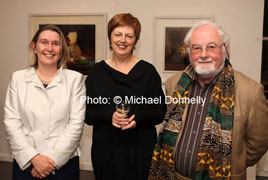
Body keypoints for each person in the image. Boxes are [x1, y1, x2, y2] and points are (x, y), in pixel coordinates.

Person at [149, 21, 268, 180]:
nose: (203, 54)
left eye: (211, 47)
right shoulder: (174, 84)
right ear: (189, 52)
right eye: (197, 48)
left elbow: (258, 144)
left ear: (226, 49)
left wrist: (232, 162)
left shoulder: (251, 92)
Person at [84, 13, 166, 180]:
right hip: (106, 153)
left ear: (135, 41)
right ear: (110, 38)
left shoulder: (148, 72)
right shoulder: (96, 73)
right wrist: (108, 115)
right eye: (118, 34)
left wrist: (139, 118)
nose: (123, 40)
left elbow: (160, 111)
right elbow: (86, 113)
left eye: (129, 36)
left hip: (140, 152)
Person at [4, 24, 86, 180]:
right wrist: (34, 158)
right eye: (44, 42)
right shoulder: (18, 79)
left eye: (55, 44)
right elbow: (11, 123)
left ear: (62, 49)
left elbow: (76, 125)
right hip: (27, 163)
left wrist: (49, 162)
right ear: (34, 47)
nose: (50, 48)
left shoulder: (75, 80)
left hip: (64, 164)